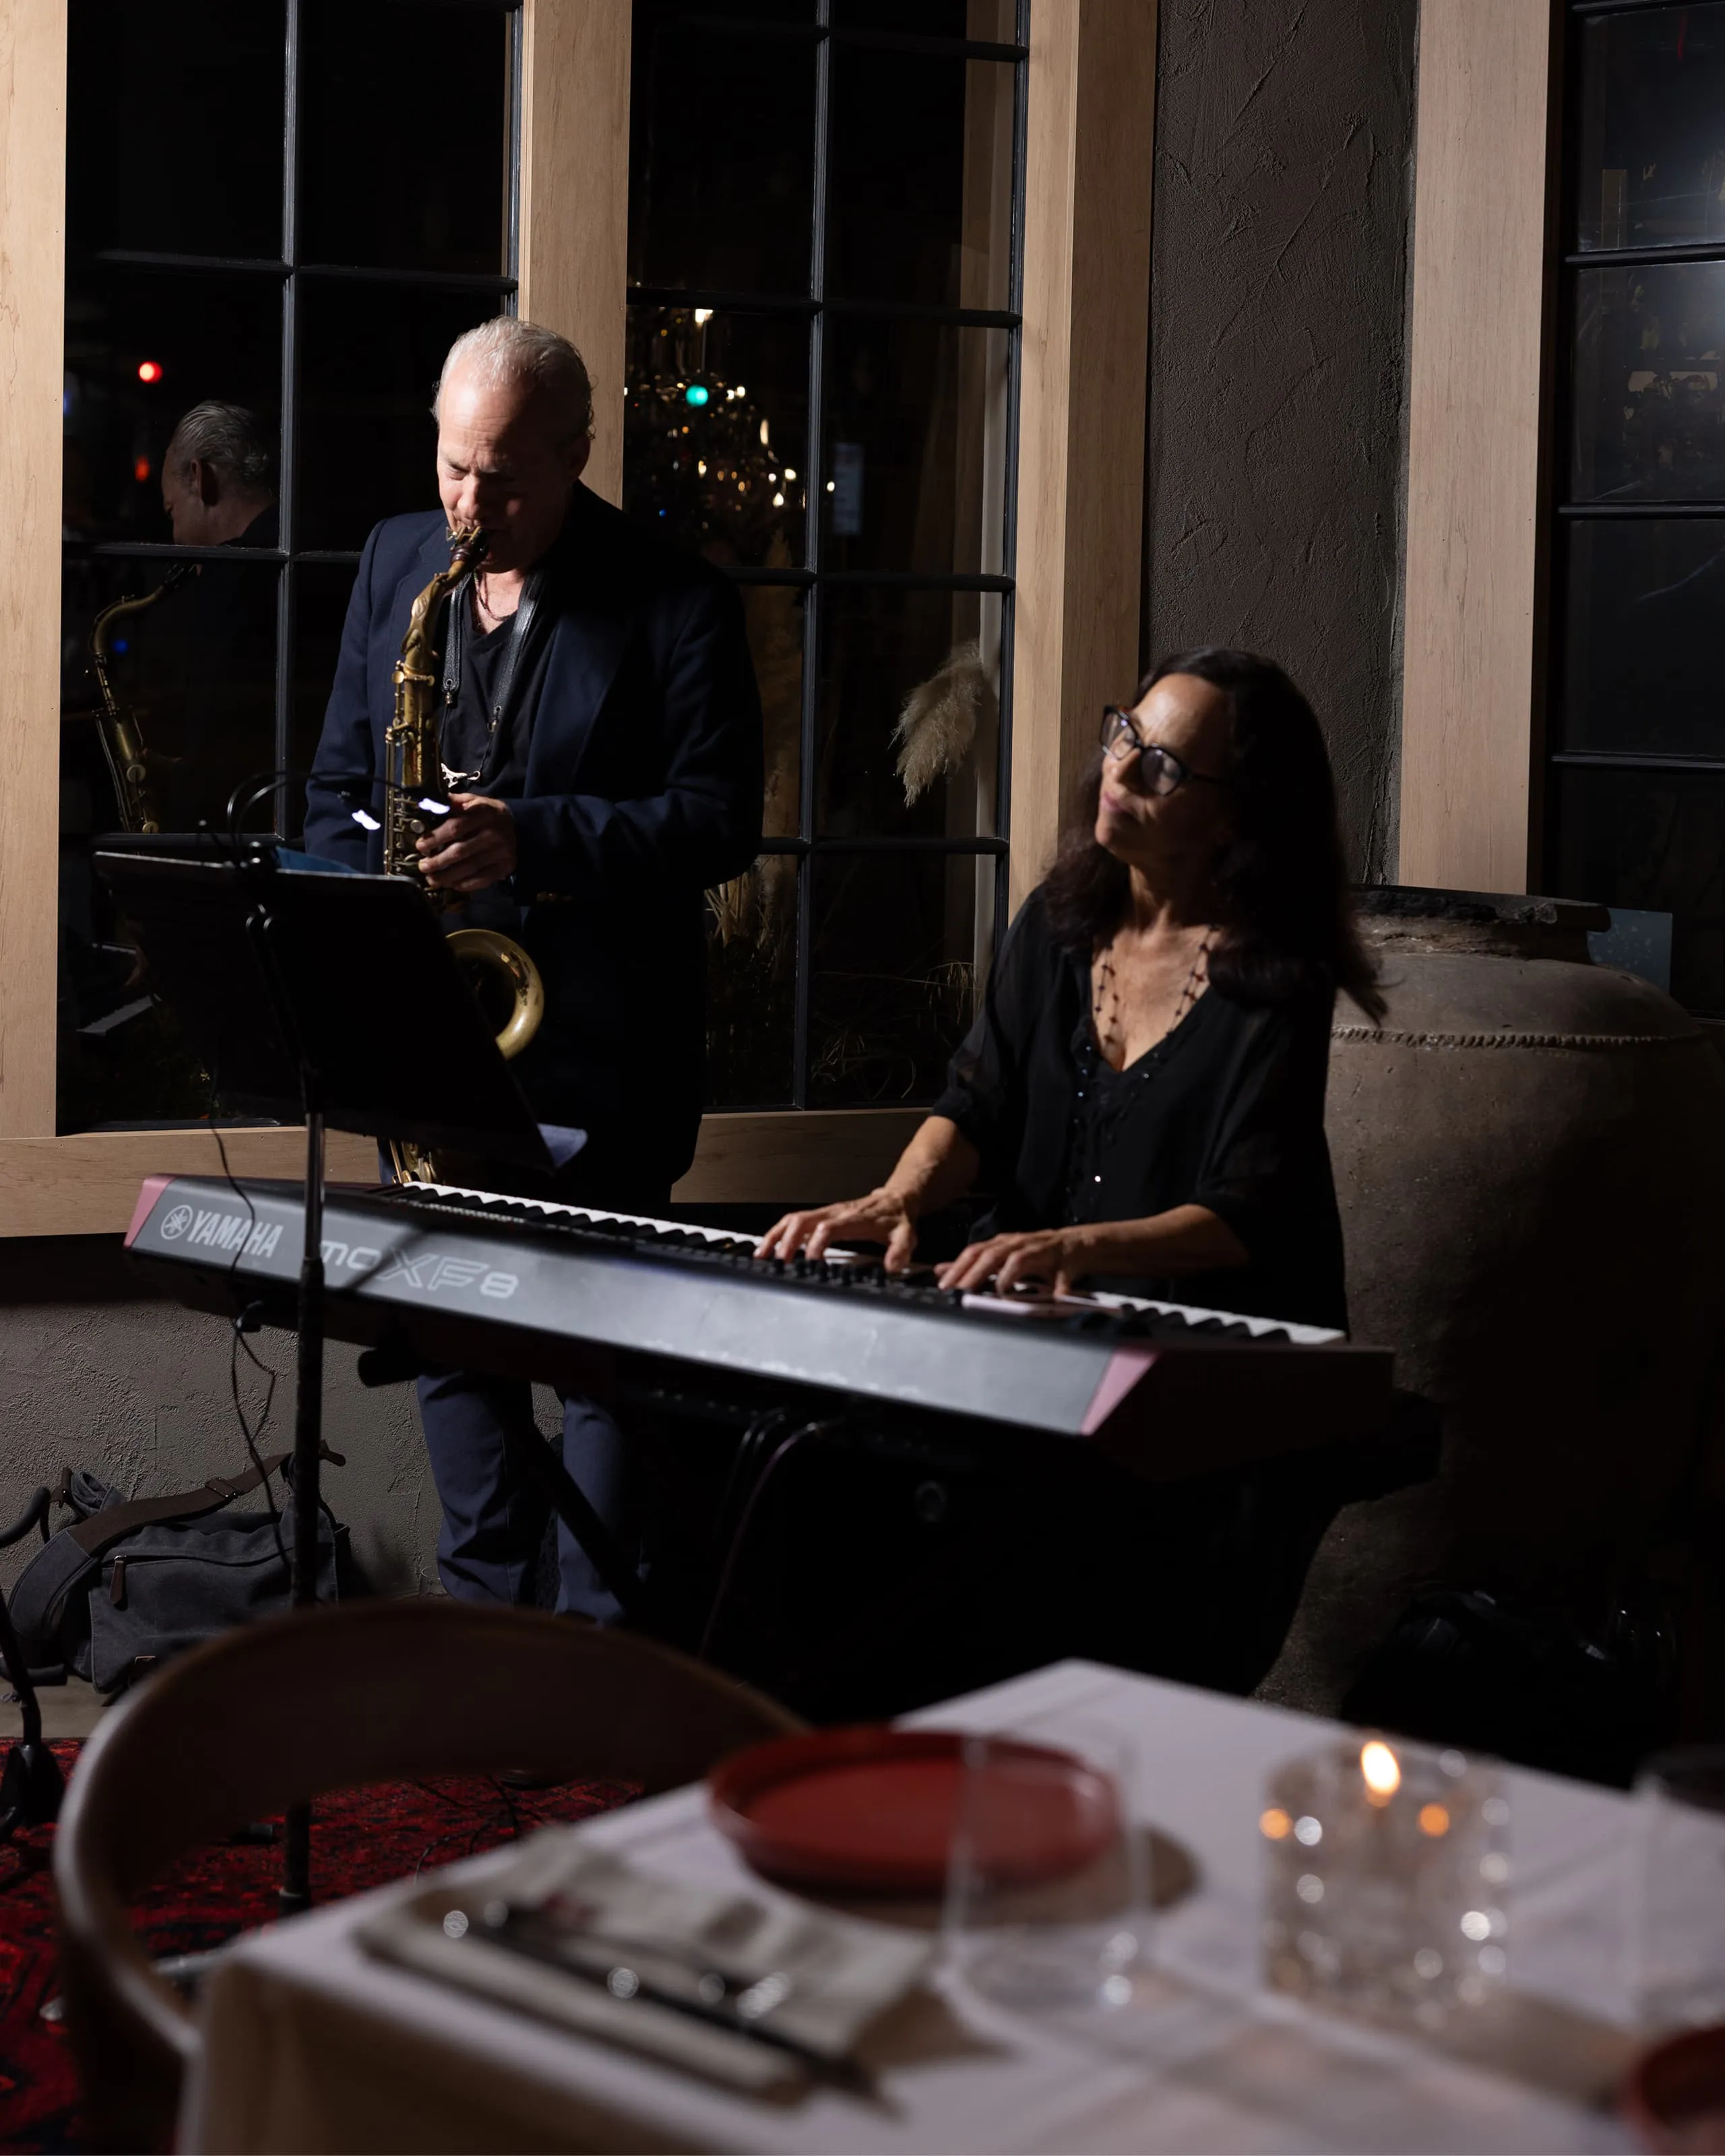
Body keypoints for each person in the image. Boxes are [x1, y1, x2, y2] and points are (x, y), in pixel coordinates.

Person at [304, 317, 763, 1620]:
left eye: (502, 478)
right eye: (453, 468)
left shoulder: (677, 596)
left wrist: (536, 834)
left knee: (601, 1362)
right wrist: (368, 891)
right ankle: (488, 1635)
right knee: (454, 1344)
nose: (468, 505)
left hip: (604, 1051)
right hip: (443, 1037)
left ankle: (600, 1660)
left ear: (575, 457)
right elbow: (342, 779)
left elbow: (720, 820)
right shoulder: (403, 559)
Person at [759, 648, 1383, 1333]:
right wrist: (898, 1198)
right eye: (1126, 734)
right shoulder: (1057, 921)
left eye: (1163, 766)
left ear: (1233, 816)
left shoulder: (1278, 977)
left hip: (1200, 1339)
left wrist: (1071, 1249)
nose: (1120, 770)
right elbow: (974, 1106)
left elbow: (1245, 1213)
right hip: (1032, 1308)